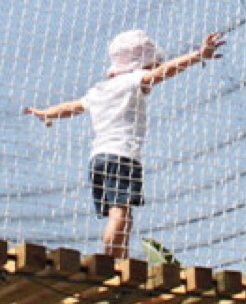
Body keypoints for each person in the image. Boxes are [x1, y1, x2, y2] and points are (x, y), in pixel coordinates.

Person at [24, 29, 225, 258]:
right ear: (140, 65)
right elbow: (164, 73)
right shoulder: (132, 81)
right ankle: (113, 255)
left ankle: (117, 256)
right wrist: (199, 55)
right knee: (122, 213)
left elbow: (72, 107)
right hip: (122, 156)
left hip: (97, 159)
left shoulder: (99, 90)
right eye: (151, 65)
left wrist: (48, 113)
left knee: (116, 212)